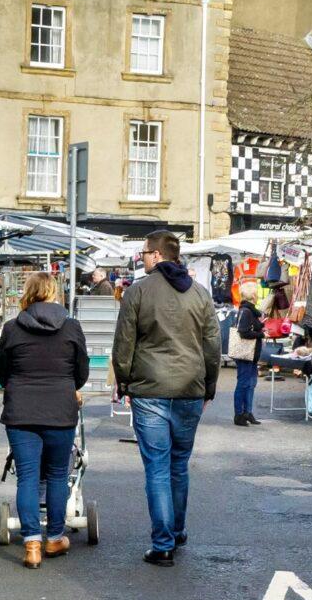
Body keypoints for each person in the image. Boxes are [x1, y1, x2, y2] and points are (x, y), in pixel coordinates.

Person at [111, 230, 219, 566]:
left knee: (157, 468)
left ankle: (163, 544)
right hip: (190, 388)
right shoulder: (200, 294)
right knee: (178, 465)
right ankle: (178, 529)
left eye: (143, 252)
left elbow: (124, 345)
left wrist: (126, 384)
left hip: (150, 389)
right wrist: (209, 387)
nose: (141, 258)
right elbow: (212, 346)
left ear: (157, 255)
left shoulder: (138, 292)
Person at [0, 272, 88, 568]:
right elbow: (81, 372)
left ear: (29, 293)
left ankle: (31, 544)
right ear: (54, 293)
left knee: (27, 476)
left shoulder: (12, 328)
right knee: (58, 474)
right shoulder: (72, 327)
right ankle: (55, 538)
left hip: (21, 411)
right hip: (60, 410)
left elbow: (3, 372)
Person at [222, 294, 265, 426]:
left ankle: (247, 412)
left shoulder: (249, 311)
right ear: (253, 296)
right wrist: (261, 334)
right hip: (245, 355)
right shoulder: (246, 311)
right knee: (244, 383)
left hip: (251, 355)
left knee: (250, 384)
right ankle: (239, 415)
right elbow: (243, 332)